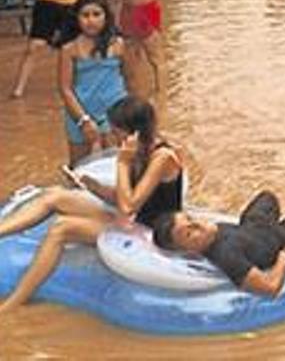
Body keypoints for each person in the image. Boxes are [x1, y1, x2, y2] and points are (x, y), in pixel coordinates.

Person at [0, 96, 184, 313]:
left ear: (135, 132)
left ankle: (11, 306)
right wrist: (92, 186)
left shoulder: (162, 157)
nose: (114, 138)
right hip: (134, 218)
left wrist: (123, 163)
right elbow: (125, 198)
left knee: (62, 228)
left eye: (117, 132)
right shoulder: (138, 151)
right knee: (55, 196)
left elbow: (129, 206)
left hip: (150, 230)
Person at [151, 191, 285, 297]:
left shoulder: (210, 232)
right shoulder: (227, 255)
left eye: (190, 219)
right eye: (189, 233)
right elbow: (269, 287)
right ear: (186, 250)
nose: (198, 224)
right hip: (277, 239)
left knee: (267, 196)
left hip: (252, 226)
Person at [58, 0, 128, 165]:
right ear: (77, 18)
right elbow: (65, 89)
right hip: (79, 113)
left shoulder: (118, 45)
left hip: (115, 113)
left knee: (118, 166)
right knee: (80, 170)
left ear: (106, 16)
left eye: (97, 14)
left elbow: (131, 80)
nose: (91, 20)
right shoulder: (69, 49)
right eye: (85, 15)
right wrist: (83, 120)